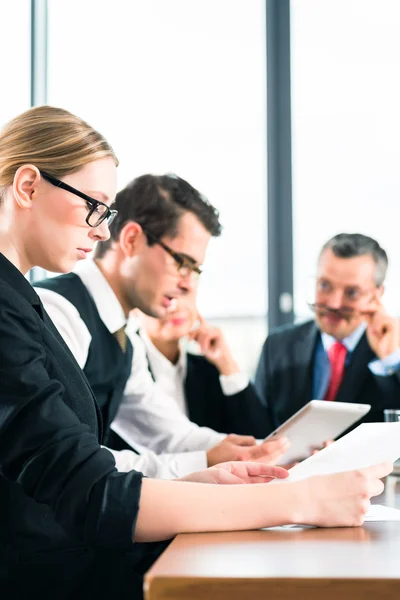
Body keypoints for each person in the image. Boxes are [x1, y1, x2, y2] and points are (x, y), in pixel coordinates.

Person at [0, 106, 391, 600]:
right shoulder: (37, 309)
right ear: (28, 186)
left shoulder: (25, 304)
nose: (101, 231)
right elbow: (89, 488)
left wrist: (210, 473)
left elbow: (98, 462)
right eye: (92, 205)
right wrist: (297, 500)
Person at [35, 173, 285, 478]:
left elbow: (167, 433)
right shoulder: (56, 311)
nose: (186, 284)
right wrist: (205, 461)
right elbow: (68, 456)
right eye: (182, 263)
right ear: (131, 240)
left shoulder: (125, 336)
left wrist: (249, 450)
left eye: (195, 270)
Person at [255, 233, 400, 433]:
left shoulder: (394, 352)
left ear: (377, 295)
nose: (333, 303)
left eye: (351, 293)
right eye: (325, 285)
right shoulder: (278, 346)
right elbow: (256, 429)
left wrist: (391, 359)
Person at [133, 288, 272, 437]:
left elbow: (260, 440)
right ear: (134, 310)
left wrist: (227, 364)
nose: (176, 306)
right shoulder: (123, 367)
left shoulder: (209, 371)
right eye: (165, 296)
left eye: (184, 292)